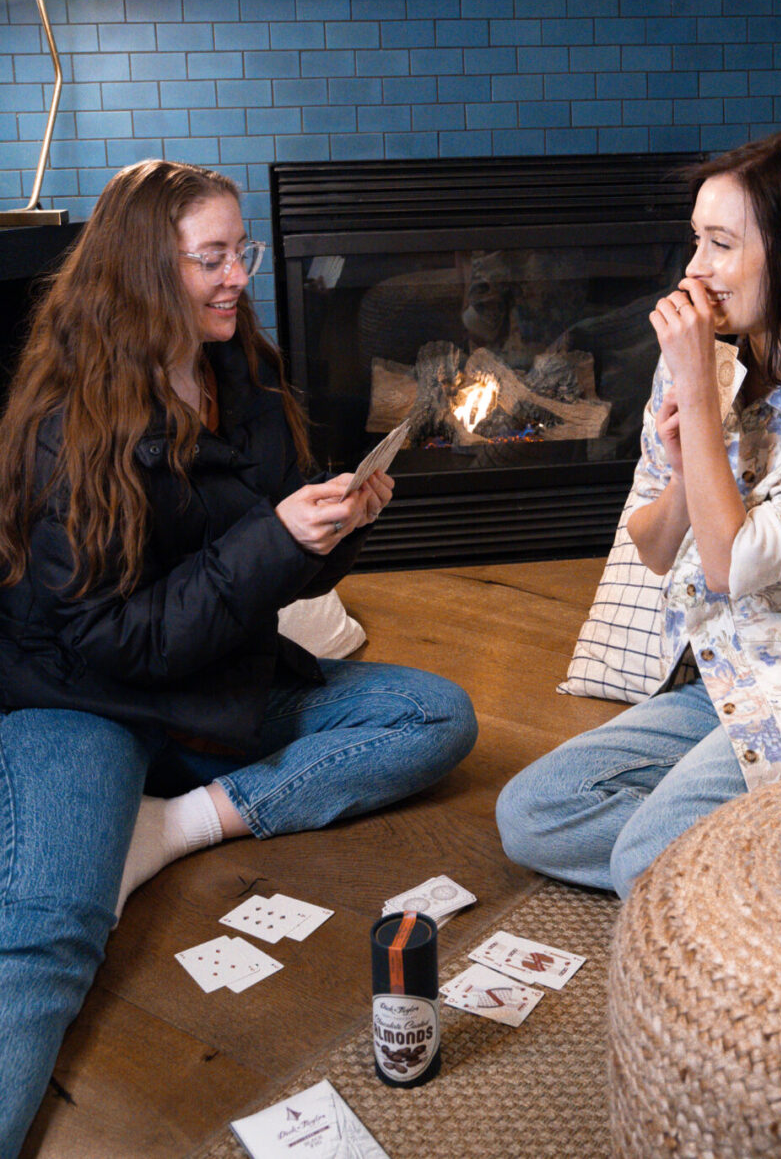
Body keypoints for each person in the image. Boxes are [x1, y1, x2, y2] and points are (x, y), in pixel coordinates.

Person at [0, 160, 477, 1155]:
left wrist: (334, 530)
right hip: (85, 701)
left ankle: (170, 827)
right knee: (47, 930)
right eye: (210, 258)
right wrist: (273, 542)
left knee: (435, 715)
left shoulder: (244, 374)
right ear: (142, 269)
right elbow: (106, 641)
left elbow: (281, 581)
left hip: (218, 684)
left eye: (241, 252)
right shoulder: (67, 423)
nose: (235, 277)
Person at [497, 132, 781, 900]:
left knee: (645, 862)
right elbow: (651, 543)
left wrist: (701, 402)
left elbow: (728, 567)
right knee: (532, 814)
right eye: (695, 241)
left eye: (720, 244)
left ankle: (729, 852)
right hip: (727, 670)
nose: (694, 270)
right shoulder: (703, 362)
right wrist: (682, 458)